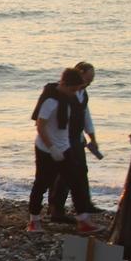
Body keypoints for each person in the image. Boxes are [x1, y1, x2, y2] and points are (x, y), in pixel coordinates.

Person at [27, 68, 99, 234]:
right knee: (41, 184)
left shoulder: (69, 98)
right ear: (64, 84)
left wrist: (87, 137)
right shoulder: (50, 101)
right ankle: (34, 221)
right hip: (46, 149)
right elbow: (40, 125)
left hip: (65, 147)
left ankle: (83, 221)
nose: (75, 92)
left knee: (76, 183)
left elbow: (80, 119)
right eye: (73, 89)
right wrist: (51, 148)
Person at [47, 61, 100, 222]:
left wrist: (92, 138)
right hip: (63, 139)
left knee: (82, 171)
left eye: (91, 81)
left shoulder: (83, 94)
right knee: (64, 174)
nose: (88, 83)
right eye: (87, 80)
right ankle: (56, 209)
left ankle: (85, 203)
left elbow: (86, 117)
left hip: (77, 138)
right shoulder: (62, 92)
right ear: (80, 74)